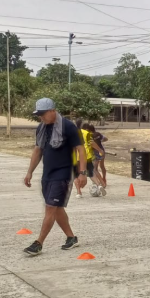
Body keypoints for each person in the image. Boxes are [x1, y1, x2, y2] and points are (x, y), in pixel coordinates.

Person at [23, 98, 87, 256]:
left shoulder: (68, 126)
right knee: (56, 208)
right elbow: (38, 150)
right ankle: (71, 237)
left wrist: (82, 173)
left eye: (43, 114)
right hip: (48, 174)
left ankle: (38, 243)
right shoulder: (41, 128)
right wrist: (30, 171)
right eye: (39, 115)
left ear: (53, 111)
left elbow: (81, 150)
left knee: (50, 207)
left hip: (63, 173)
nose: (41, 117)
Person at [81, 123, 106, 196]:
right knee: (93, 171)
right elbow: (93, 142)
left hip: (81, 156)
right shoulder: (92, 134)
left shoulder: (79, 133)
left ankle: (79, 192)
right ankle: (100, 184)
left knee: (91, 171)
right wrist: (100, 150)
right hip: (89, 155)